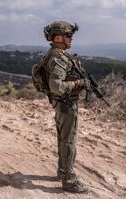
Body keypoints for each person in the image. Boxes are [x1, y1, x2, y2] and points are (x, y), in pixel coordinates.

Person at [42, 21, 90, 193]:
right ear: (58, 37)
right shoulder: (58, 58)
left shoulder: (55, 54)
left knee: (63, 139)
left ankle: (62, 171)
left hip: (61, 103)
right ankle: (69, 180)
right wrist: (78, 83)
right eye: (69, 35)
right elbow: (56, 85)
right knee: (69, 141)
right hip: (66, 104)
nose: (71, 39)